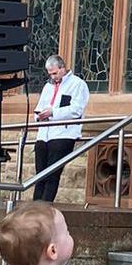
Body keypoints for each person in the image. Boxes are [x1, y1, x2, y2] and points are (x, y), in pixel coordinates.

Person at [32, 55, 89, 203]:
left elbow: (76, 109)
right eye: (50, 74)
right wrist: (39, 116)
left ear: (62, 68)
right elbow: (39, 107)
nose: (53, 77)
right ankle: (34, 209)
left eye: (55, 73)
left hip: (63, 134)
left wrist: (53, 113)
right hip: (44, 134)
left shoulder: (78, 84)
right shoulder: (47, 86)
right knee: (40, 175)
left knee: (52, 174)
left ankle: (44, 209)